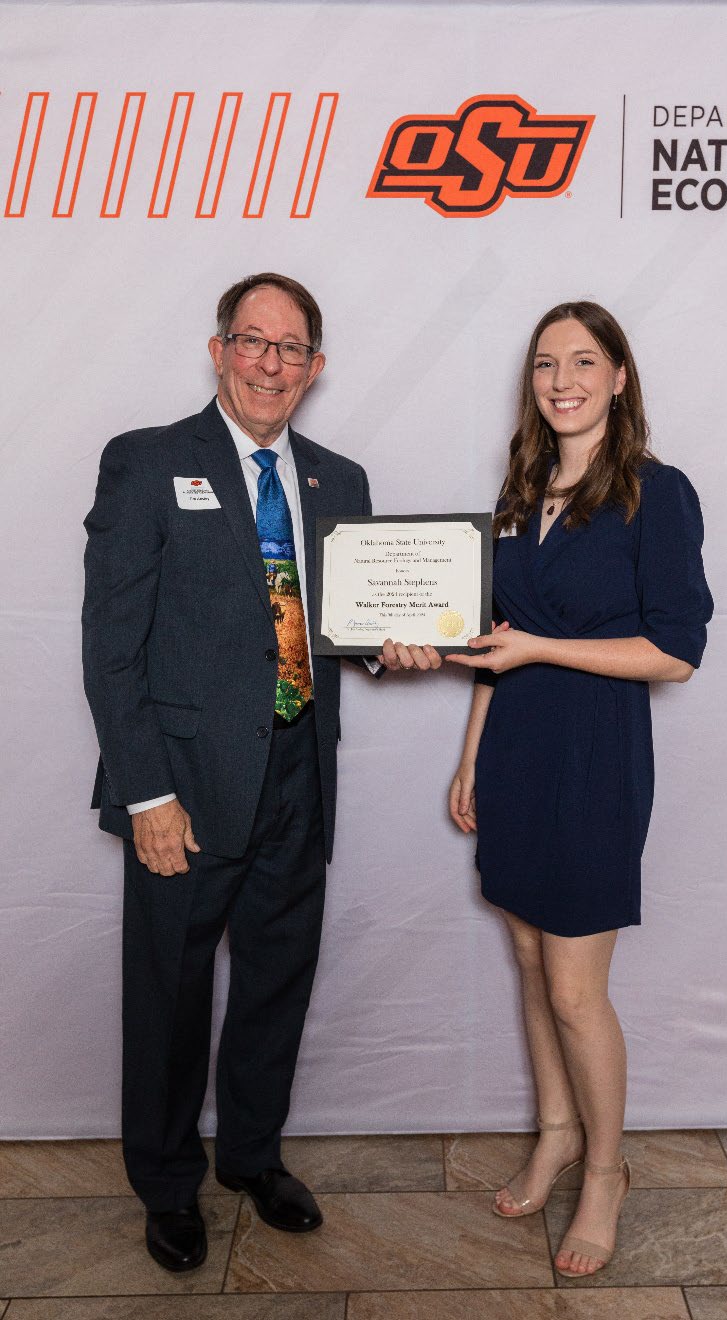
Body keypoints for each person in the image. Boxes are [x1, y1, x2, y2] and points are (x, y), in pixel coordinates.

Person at [82, 273, 439, 1273]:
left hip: (298, 776)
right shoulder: (149, 464)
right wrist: (145, 792)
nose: (270, 364)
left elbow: (345, 621)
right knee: (170, 993)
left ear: (314, 368)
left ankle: (249, 1156)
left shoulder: (339, 480)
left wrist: (391, 644)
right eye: (252, 341)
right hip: (183, 790)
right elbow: (111, 644)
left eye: (290, 349)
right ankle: (165, 1182)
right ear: (218, 350)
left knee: (278, 980)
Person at [447, 301, 713, 1279]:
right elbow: (491, 640)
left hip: (595, 756)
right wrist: (472, 752)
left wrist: (538, 649)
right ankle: (555, 1131)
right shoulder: (519, 492)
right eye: (546, 364)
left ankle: (604, 1170)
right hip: (514, 747)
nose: (562, 379)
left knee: (573, 987)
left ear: (618, 378)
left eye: (583, 362)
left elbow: (674, 653)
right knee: (525, 953)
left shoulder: (655, 491)